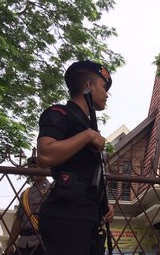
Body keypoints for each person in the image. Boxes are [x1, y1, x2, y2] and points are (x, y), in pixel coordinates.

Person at [36, 60, 115, 254]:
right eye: (104, 87)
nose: (107, 94)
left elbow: (87, 173)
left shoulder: (87, 124)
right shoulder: (59, 113)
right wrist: (87, 136)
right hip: (66, 216)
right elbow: (45, 154)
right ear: (89, 85)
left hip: (86, 216)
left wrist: (103, 205)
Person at [5, 157, 51, 255]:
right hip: (23, 243)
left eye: (35, 166)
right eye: (30, 167)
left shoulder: (52, 191)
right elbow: (18, 220)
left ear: (45, 168)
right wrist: (10, 243)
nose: (31, 170)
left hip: (42, 242)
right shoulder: (25, 194)